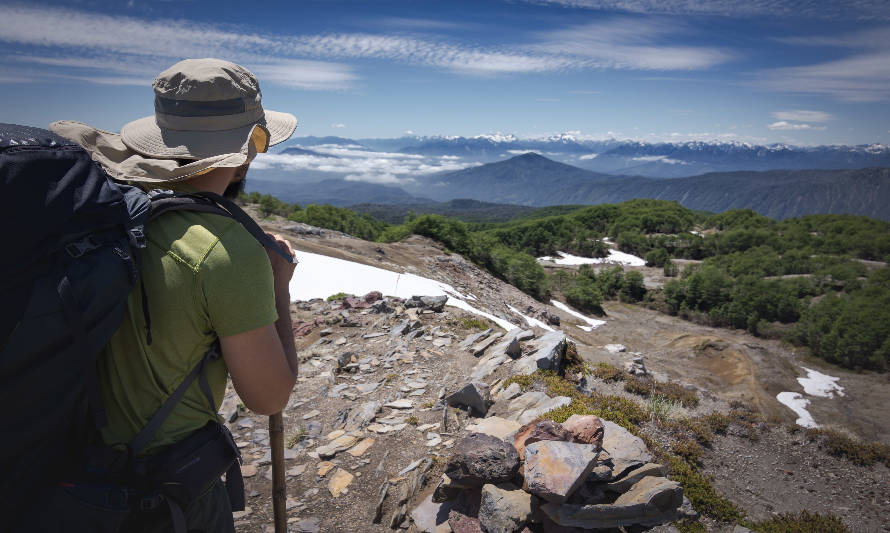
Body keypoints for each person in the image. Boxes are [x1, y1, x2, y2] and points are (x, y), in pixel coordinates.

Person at [51, 58, 300, 532]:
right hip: (161, 491)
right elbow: (269, 396)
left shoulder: (105, 209)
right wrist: (278, 286)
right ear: (247, 148)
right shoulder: (225, 252)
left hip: (64, 466)